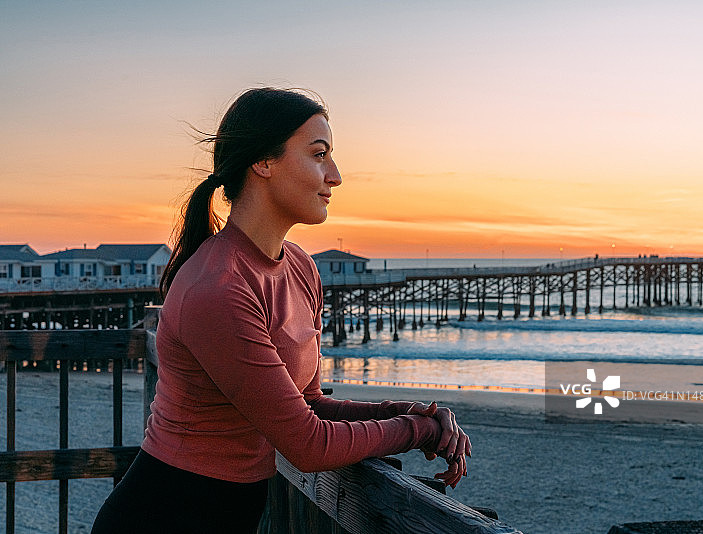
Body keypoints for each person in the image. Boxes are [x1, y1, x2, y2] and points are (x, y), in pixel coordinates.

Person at [91, 88, 471, 534]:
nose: (336, 176)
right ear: (263, 162)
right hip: (164, 515)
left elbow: (309, 405)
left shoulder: (301, 269)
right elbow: (307, 444)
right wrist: (417, 431)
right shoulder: (217, 287)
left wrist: (412, 411)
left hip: (231, 514)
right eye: (319, 154)